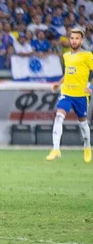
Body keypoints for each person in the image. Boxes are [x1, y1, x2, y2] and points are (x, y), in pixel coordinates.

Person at [46, 28, 93, 163]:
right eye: (72, 38)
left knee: (83, 124)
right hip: (67, 93)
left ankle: (87, 146)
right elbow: (68, 73)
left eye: (77, 38)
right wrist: (58, 84)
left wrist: (90, 86)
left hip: (81, 96)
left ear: (81, 40)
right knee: (59, 116)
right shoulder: (66, 56)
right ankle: (56, 149)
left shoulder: (87, 55)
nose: (74, 41)